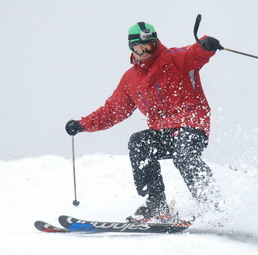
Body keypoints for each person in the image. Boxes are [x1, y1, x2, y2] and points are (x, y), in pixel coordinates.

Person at [65, 21, 222, 222]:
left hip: (191, 123)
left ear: (156, 43)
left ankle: (212, 204)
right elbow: (113, 110)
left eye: (149, 46)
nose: (145, 51)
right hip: (163, 130)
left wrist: (204, 45)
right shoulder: (131, 79)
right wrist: (82, 124)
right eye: (140, 47)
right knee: (139, 143)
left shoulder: (174, 58)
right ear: (131, 47)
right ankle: (156, 204)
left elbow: (193, 53)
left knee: (184, 155)